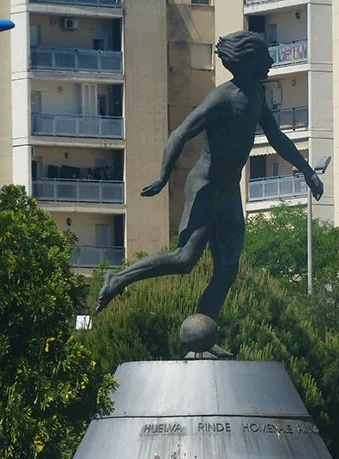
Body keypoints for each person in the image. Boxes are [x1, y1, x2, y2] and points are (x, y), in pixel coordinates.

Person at [95, 30, 323, 319]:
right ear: (249, 61)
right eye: (265, 57)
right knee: (185, 259)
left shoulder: (255, 95)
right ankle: (118, 279)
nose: (270, 63)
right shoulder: (222, 98)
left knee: (228, 267)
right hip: (205, 185)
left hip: (229, 191)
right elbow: (180, 133)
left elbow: (276, 137)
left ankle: (204, 330)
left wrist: (307, 171)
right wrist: (163, 177)